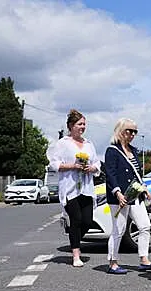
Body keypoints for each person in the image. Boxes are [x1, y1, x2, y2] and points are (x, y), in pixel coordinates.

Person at [104, 118, 151, 274]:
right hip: (120, 197)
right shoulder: (112, 150)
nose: (132, 134)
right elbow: (110, 173)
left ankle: (144, 259)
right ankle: (113, 262)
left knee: (145, 225)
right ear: (120, 131)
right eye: (129, 131)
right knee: (119, 229)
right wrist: (117, 192)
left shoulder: (133, 150)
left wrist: (144, 189)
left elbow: (137, 174)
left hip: (135, 195)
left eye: (135, 131)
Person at [47, 109, 101, 267]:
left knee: (88, 221)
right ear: (71, 126)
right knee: (76, 219)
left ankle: (73, 236)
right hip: (70, 188)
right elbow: (54, 163)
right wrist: (72, 166)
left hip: (86, 186)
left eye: (84, 124)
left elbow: (97, 163)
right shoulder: (63, 143)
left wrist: (91, 168)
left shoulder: (89, 144)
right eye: (79, 124)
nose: (83, 127)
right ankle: (76, 254)